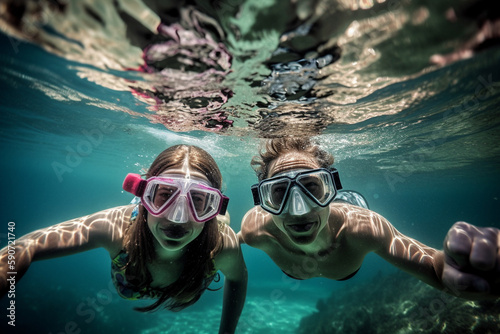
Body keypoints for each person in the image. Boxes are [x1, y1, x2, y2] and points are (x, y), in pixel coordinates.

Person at [0, 145, 247, 334]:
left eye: (199, 200)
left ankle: (216, 217)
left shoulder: (221, 245)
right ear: (143, 196)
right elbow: (26, 245)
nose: (178, 217)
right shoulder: (115, 228)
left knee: (219, 226)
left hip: (210, 228)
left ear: (215, 205)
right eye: (164, 195)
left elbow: (238, 279)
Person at [239, 137, 499, 299]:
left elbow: (432, 264)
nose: (298, 209)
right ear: (264, 201)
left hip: (351, 207)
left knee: (356, 207)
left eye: (313, 187)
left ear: (331, 188)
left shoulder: (365, 229)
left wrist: (452, 267)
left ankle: (342, 197)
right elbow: (226, 241)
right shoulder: (255, 230)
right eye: (279, 193)